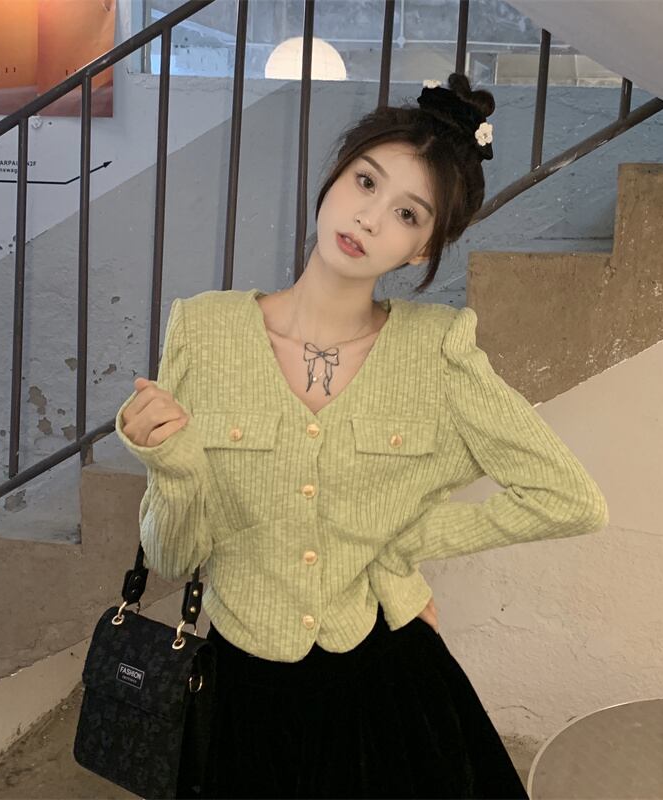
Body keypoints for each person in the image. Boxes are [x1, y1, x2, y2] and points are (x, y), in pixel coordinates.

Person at [115, 72, 609, 799]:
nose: (371, 218)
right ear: (334, 180)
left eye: (407, 213)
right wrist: (171, 463)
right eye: (366, 182)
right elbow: (171, 556)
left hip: (385, 682)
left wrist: (401, 541)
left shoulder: (437, 351)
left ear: (421, 250)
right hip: (243, 693)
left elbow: (569, 498)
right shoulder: (203, 330)